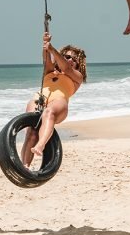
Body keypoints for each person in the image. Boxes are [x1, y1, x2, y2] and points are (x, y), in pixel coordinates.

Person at [21, 33, 86, 167]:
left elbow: (66, 68)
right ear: (61, 57)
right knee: (31, 133)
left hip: (58, 103)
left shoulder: (76, 76)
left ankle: (41, 145)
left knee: (48, 112)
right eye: (67, 56)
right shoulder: (50, 71)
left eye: (75, 59)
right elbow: (46, 60)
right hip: (40, 99)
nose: (70, 60)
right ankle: (25, 166)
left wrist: (52, 49)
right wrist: (45, 44)